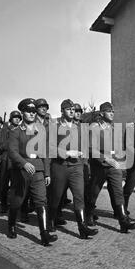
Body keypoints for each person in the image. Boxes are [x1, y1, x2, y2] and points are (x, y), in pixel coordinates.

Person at [8, 98, 57, 246]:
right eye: (28, 111)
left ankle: (44, 234)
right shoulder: (16, 131)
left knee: (41, 201)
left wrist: (47, 172)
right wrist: (24, 163)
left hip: (38, 170)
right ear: (22, 113)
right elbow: (12, 152)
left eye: (33, 112)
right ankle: (11, 224)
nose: (31, 114)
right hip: (21, 171)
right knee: (17, 201)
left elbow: (45, 153)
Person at [49, 99, 98, 239]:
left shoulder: (80, 127)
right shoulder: (54, 125)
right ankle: (51, 220)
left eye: (73, 109)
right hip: (60, 167)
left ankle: (82, 228)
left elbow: (85, 145)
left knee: (79, 196)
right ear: (62, 111)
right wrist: (66, 153)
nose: (71, 111)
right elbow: (50, 147)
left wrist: (83, 161)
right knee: (56, 196)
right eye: (68, 109)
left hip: (77, 167)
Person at [86, 102, 135, 233]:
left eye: (113, 111)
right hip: (99, 165)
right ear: (102, 113)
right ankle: (89, 214)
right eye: (109, 111)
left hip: (114, 166)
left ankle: (123, 220)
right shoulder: (94, 127)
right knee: (94, 192)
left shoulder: (115, 128)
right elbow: (91, 148)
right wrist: (105, 159)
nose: (112, 113)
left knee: (117, 192)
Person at [0, 110, 22, 213]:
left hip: (16, 160)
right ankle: (3, 205)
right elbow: (1, 146)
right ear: (11, 119)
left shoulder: (21, 129)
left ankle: (14, 205)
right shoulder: (5, 130)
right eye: (15, 118)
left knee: (16, 184)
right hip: (6, 159)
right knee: (4, 183)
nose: (17, 119)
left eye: (18, 118)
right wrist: (12, 140)